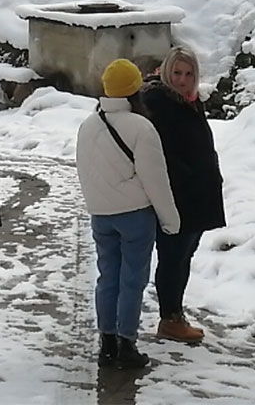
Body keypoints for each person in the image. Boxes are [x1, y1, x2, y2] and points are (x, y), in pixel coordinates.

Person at [77, 59, 181, 369]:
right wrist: (170, 219)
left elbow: (84, 170)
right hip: (134, 215)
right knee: (132, 280)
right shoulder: (141, 126)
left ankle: (106, 342)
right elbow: (155, 179)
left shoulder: (88, 124)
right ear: (136, 88)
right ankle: (126, 343)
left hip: (101, 214)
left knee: (107, 277)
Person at [141, 47, 225, 343]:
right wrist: (188, 177)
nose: (182, 80)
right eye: (176, 73)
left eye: (188, 74)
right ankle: (170, 317)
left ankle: (175, 312)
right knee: (173, 257)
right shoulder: (160, 104)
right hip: (178, 194)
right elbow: (164, 153)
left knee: (185, 255)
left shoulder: (189, 102)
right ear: (166, 72)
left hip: (197, 192)